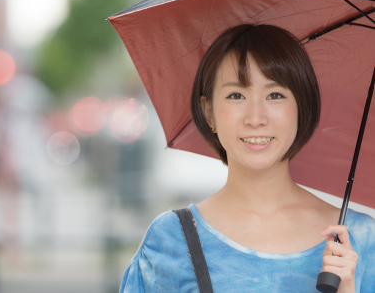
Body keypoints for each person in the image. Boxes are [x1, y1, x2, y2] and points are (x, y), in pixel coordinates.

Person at [119, 24, 375, 293]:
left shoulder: (358, 240)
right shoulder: (172, 240)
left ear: (302, 107)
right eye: (236, 95)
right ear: (209, 112)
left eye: (275, 95)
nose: (256, 118)